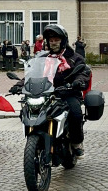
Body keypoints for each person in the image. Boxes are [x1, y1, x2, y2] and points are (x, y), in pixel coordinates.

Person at [11, 24, 91, 156]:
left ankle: (76, 142)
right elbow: (31, 74)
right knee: (26, 110)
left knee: (75, 113)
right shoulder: (42, 58)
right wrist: (20, 85)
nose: (53, 43)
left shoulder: (74, 58)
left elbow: (83, 71)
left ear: (63, 41)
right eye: (51, 40)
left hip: (67, 93)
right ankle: (36, 139)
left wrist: (78, 82)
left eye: (56, 40)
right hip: (45, 92)